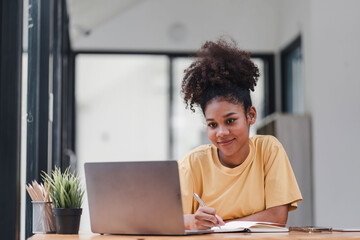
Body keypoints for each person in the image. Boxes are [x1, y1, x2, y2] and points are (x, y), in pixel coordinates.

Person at [178, 38, 303, 230]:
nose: (221, 133)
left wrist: (220, 227)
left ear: (250, 115)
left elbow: (277, 217)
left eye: (230, 120)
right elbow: (168, 219)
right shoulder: (193, 163)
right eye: (212, 124)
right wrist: (192, 221)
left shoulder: (268, 150)